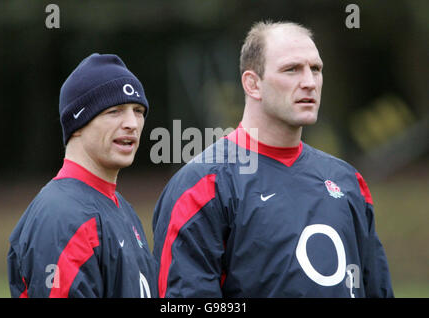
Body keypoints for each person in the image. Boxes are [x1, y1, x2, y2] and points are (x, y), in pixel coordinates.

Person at [152, 21, 394, 297]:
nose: (309, 82)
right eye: (291, 70)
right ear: (252, 84)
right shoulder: (203, 185)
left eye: (316, 69)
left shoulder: (348, 181)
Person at [7, 53, 157, 298]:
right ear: (78, 123)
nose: (132, 123)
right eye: (115, 111)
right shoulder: (63, 216)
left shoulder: (120, 208)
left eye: (138, 110)